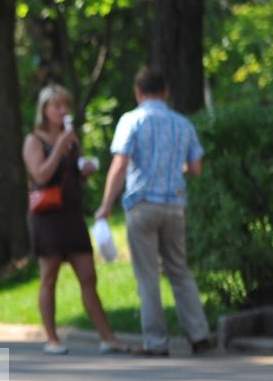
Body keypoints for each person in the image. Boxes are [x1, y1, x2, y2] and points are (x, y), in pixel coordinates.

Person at [95, 67, 213, 357]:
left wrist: (106, 205)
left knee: (147, 276)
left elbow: (120, 164)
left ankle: (157, 342)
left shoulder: (131, 120)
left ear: (138, 92)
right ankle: (199, 334)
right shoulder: (182, 124)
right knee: (179, 270)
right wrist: (173, 168)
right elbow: (195, 168)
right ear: (166, 91)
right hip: (174, 206)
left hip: (142, 205)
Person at [22, 84, 126, 354]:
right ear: (44, 110)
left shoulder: (71, 139)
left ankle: (108, 338)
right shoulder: (34, 140)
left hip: (71, 215)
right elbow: (41, 175)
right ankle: (52, 339)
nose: (63, 111)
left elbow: (71, 173)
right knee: (49, 277)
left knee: (88, 275)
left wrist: (85, 170)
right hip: (47, 218)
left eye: (65, 105)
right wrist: (59, 145)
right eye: (57, 106)